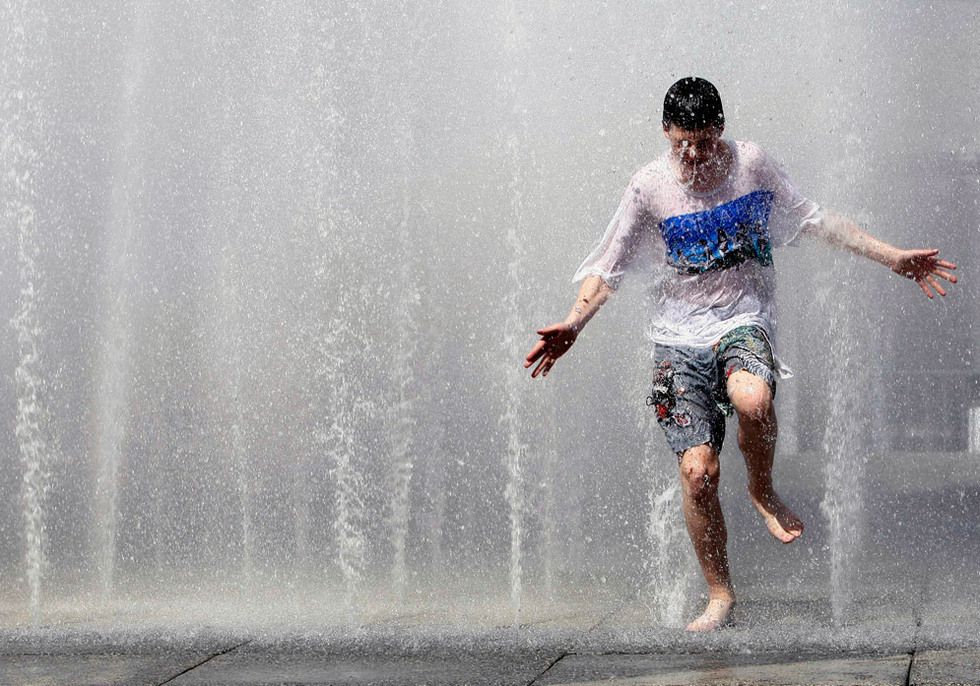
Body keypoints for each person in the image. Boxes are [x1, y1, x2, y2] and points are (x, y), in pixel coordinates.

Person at [523, 77, 958, 632]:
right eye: (683, 143)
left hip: (743, 320)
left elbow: (815, 220)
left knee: (752, 399)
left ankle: (761, 488)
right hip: (676, 340)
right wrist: (574, 324)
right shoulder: (648, 188)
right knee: (698, 472)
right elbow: (606, 269)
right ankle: (721, 592)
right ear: (666, 133)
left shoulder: (752, 166)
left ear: (721, 129)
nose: (695, 155)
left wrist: (892, 257)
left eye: (705, 142)